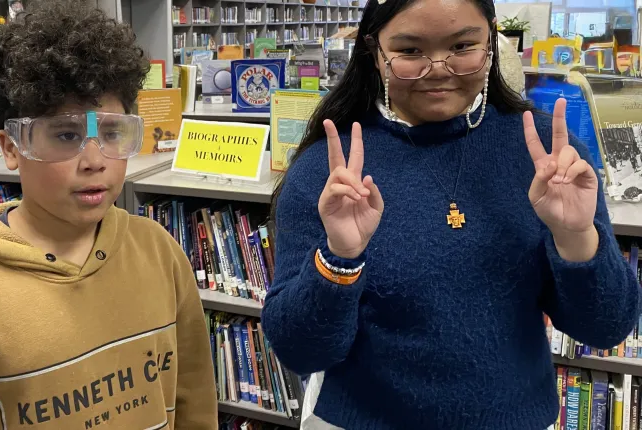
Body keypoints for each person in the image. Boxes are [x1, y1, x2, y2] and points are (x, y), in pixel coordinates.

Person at [261, 0, 641, 429]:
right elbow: (299, 351)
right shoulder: (333, 169)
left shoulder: (546, 154)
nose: (438, 68)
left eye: (463, 46)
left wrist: (575, 237)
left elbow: (606, 327)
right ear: (374, 50)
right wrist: (339, 260)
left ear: (492, 39)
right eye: (410, 51)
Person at [0, 1, 217, 428]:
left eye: (113, 133)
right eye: (67, 134)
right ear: (12, 147)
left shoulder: (158, 252)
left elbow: (193, 401)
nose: (95, 160)